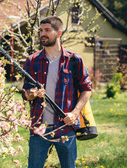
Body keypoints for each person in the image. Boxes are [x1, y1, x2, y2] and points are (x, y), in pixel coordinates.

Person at [22, 16, 92, 168]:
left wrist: (74, 113)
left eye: (47, 30)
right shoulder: (32, 61)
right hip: (39, 128)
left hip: (65, 128)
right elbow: (25, 93)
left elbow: (86, 89)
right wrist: (32, 94)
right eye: (41, 30)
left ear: (59, 33)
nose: (42, 34)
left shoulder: (74, 60)